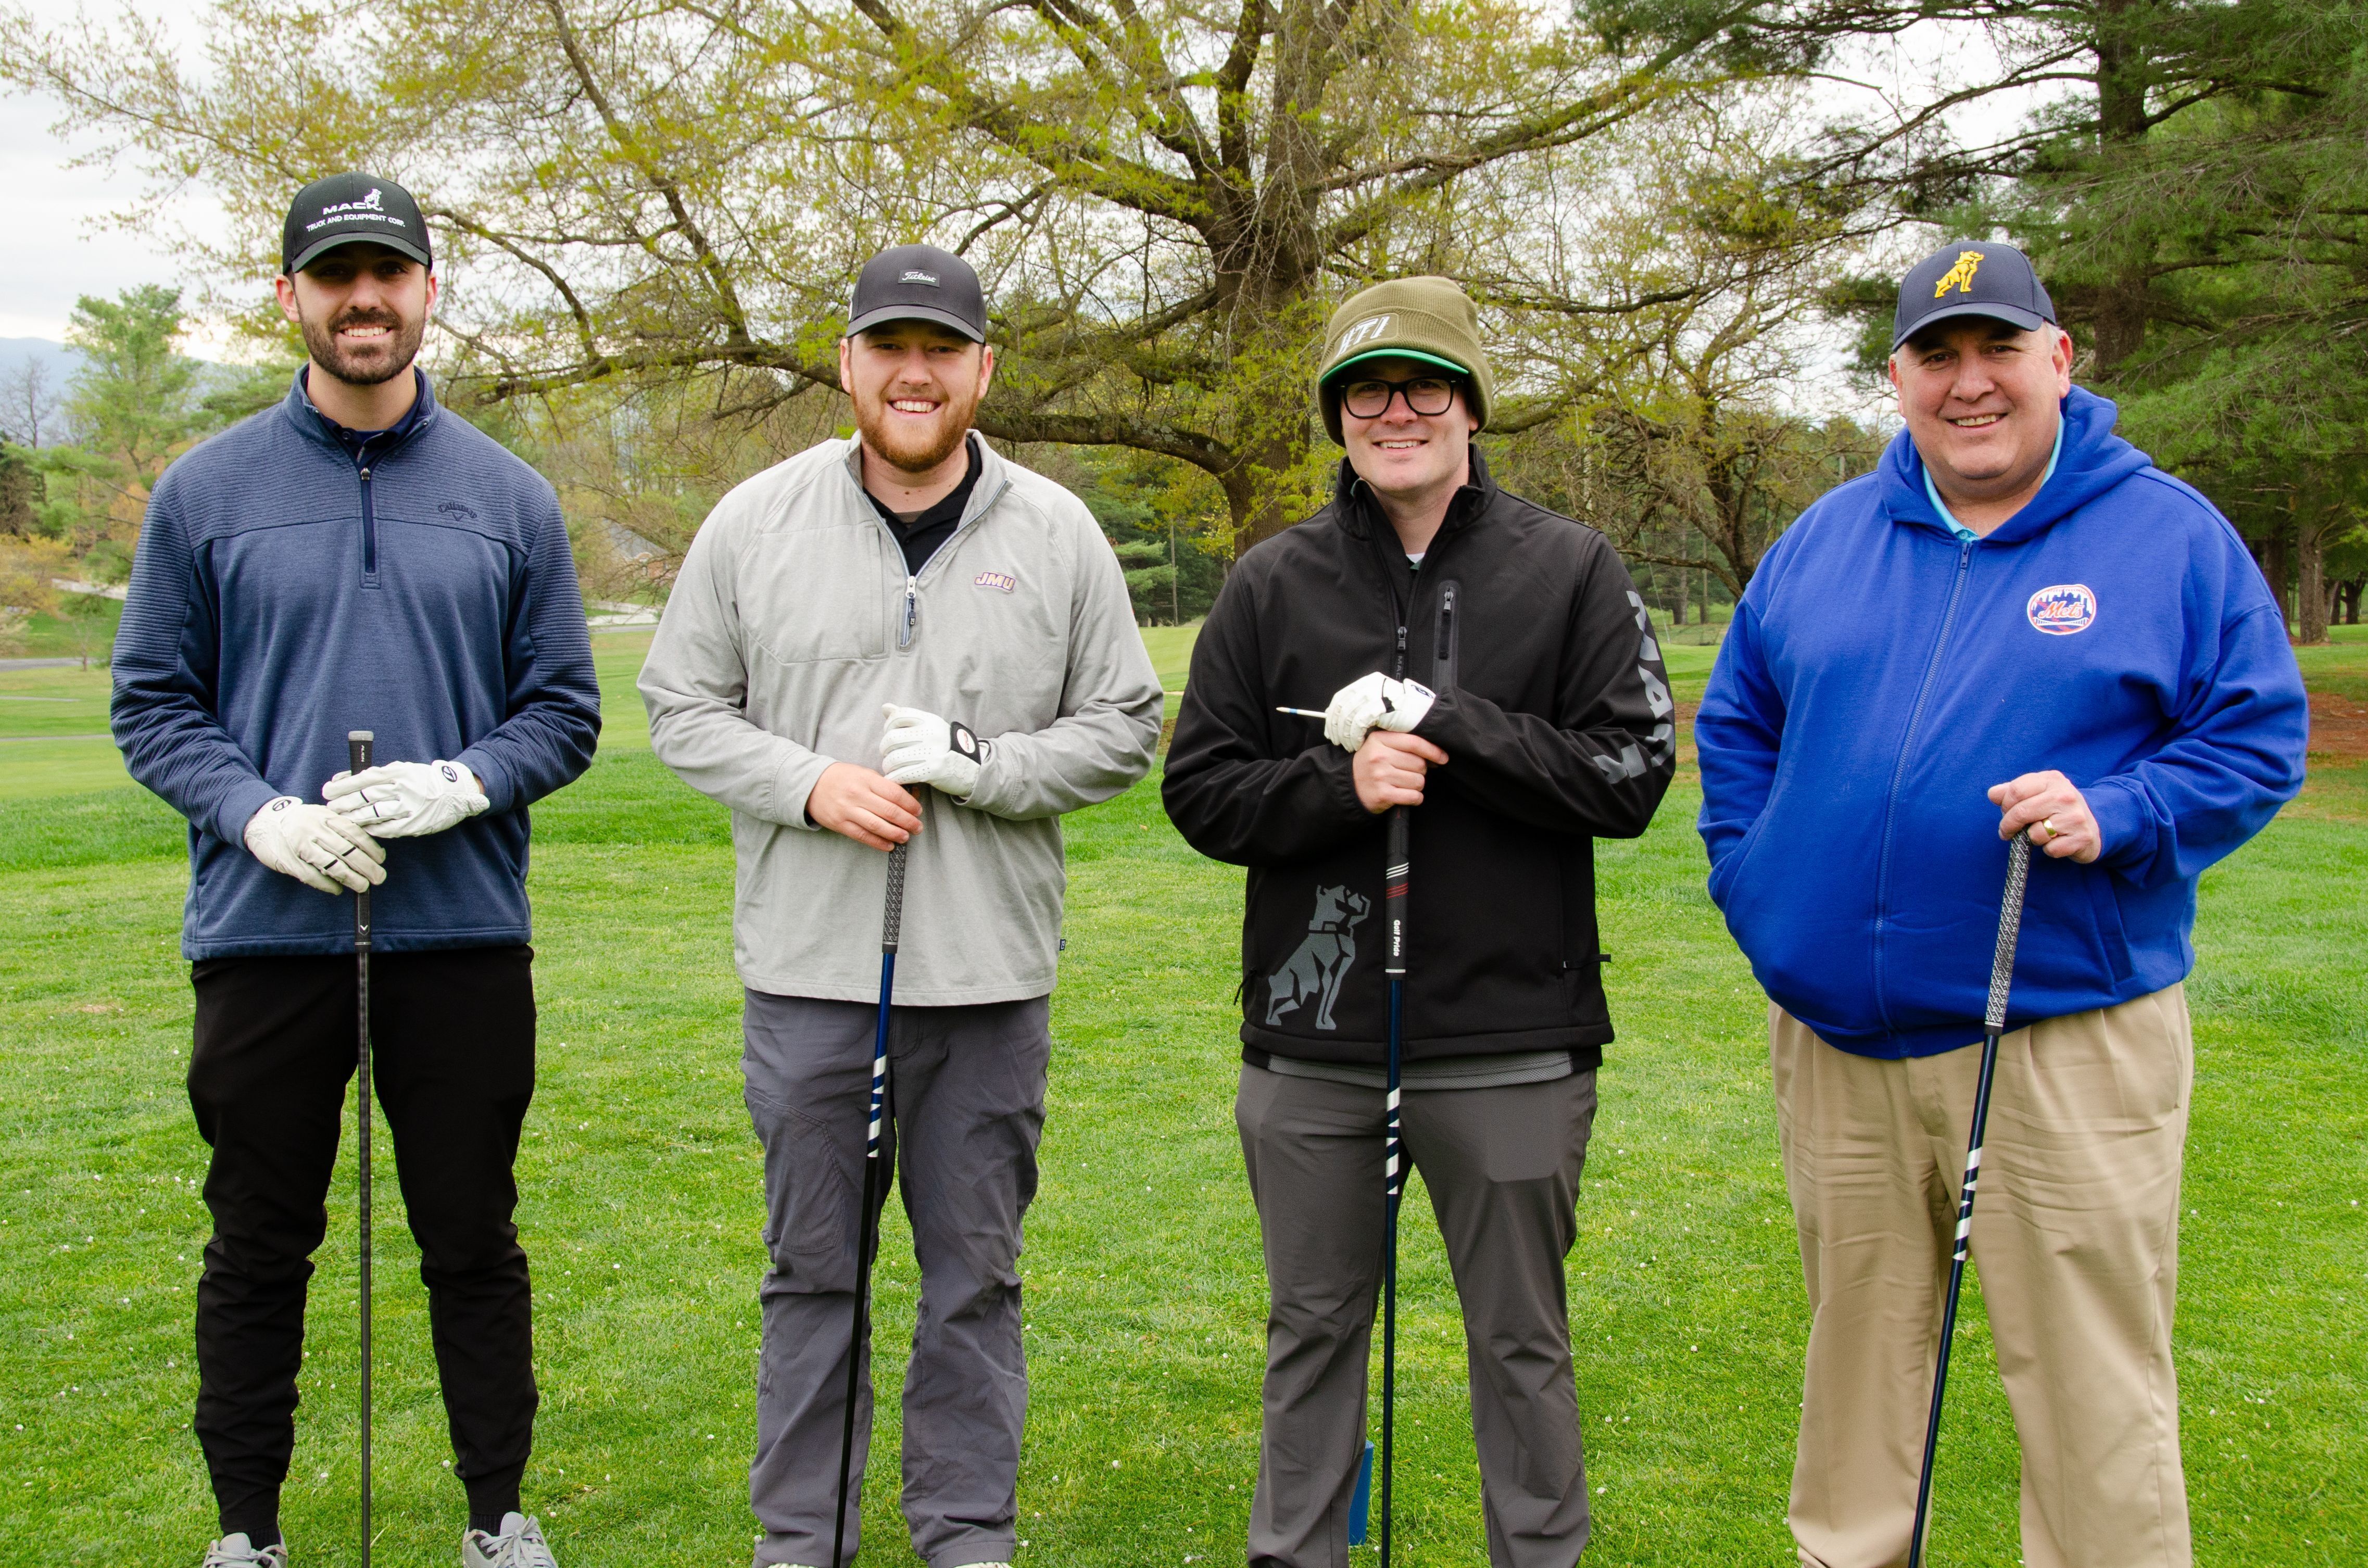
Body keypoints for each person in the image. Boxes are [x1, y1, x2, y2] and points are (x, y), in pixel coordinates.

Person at [1694, 239, 2309, 1568]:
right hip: (1838, 1046)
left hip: (2061, 1037)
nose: (1969, 385)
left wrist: (2129, 813)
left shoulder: (2167, 534)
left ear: (2059, 360)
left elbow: (2256, 738)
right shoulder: (1827, 539)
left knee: (2090, 1378)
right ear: (1899, 378)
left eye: (1997, 352)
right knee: (1856, 1375)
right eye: (1937, 356)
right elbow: (1738, 721)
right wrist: (1758, 881)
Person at [638, 242, 1162, 1568]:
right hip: (812, 983)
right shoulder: (755, 522)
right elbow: (680, 708)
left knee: (973, 1283)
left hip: (987, 987)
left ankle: (964, 1535)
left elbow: (1124, 726)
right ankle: (801, 1540)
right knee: (813, 1276)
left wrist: (990, 768)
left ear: (984, 369)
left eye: (943, 352)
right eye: (890, 349)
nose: (914, 375)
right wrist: (812, 785)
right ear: (848, 365)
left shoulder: (1056, 532)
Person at [111, 173, 600, 1568]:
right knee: (259, 1243)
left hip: (458, 932)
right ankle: (244, 1532)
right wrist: (254, 812)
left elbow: (562, 710)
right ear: (289, 298)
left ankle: (497, 1517)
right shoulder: (206, 493)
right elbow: (154, 703)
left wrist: (465, 781)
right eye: (335, 276)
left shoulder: (508, 496)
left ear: (429, 292)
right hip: (266, 932)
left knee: (470, 1237)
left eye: (389, 272)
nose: (363, 297)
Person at [1162, 276, 1676, 1568]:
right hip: (1314, 1040)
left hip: (1512, 1033)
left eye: (1424, 386)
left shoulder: (1569, 568)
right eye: (1367, 391)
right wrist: (1342, 785)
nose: (1397, 412)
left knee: (1520, 1343)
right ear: (1340, 416)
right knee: (1314, 1331)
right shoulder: (1271, 583)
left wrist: (1449, 722)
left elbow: (1631, 777)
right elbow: (1202, 791)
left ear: (1468, 405)